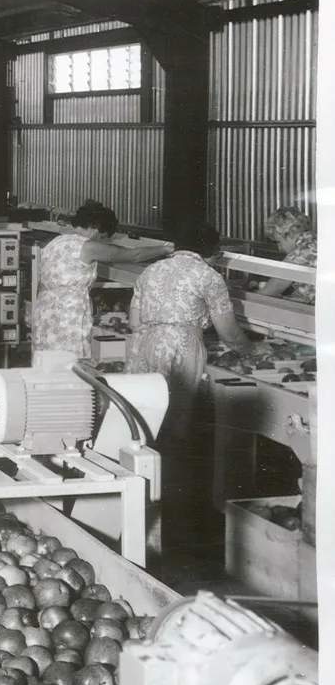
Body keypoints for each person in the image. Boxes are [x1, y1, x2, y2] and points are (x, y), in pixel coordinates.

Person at [124, 221, 271, 556]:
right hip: (179, 350)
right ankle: (174, 528)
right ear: (213, 252)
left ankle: (144, 521)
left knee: (143, 431)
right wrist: (253, 351)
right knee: (176, 435)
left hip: (142, 347)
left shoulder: (152, 270)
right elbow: (230, 334)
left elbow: (134, 320)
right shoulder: (208, 276)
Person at [33, 201, 170, 357]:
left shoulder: (55, 243)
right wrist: (165, 248)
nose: (101, 241)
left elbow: (41, 283)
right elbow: (133, 256)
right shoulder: (87, 246)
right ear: (96, 228)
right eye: (103, 237)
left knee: (47, 360)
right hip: (68, 314)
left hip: (44, 311)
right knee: (70, 361)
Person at [258, 206, 316, 305]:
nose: (280, 247)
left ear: (289, 234)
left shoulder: (304, 248)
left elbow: (273, 288)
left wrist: (253, 295)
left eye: (279, 241)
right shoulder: (313, 239)